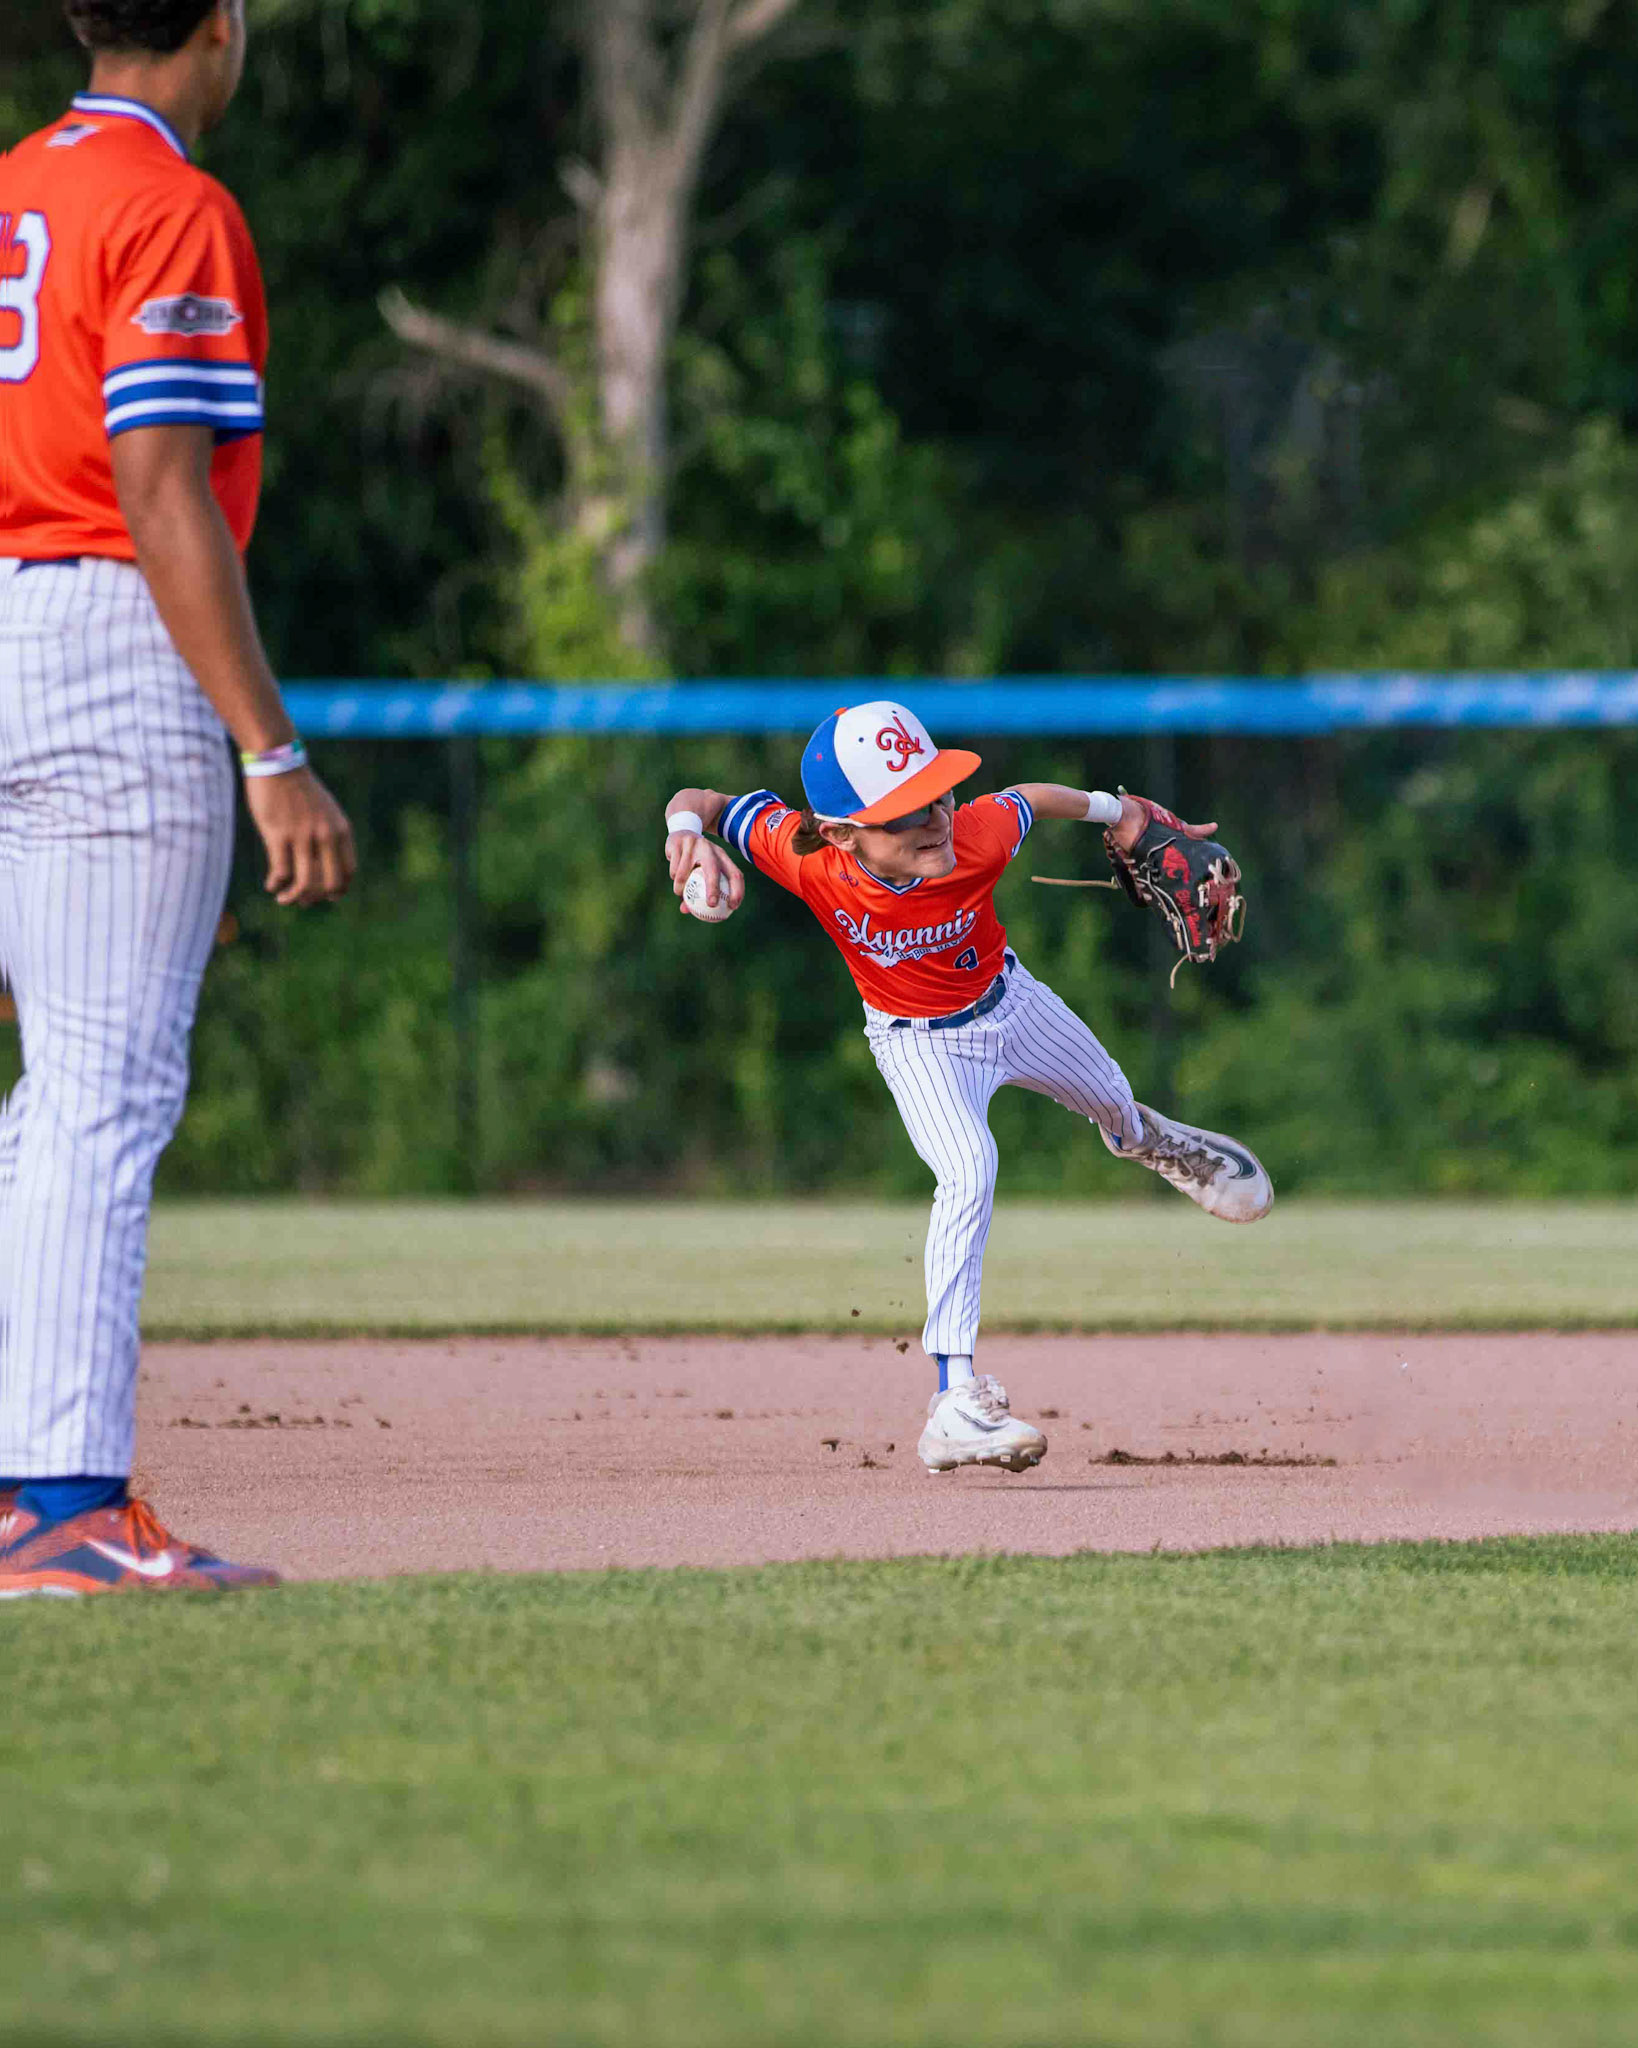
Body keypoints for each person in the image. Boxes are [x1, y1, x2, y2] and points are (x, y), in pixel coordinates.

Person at [0, 0, 353, 1595]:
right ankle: (62, 1509)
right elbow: (158, 487)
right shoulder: (169, 202)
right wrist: (268, 753)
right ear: (220, 28)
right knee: (101, 1096)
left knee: (48, 1101)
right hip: (101, 634)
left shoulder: (14, 183)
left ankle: (27, 1491)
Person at [662, 701, 1271, 1476]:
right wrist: (687, 834)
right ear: (842, 832)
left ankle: (1149, 1141)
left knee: (1115, 1100)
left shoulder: (975, 834)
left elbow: (1032, 797)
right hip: (917, 1045)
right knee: (968, 1167)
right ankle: (954, 1403)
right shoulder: (802, 853)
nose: (933, 819)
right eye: (901, 812)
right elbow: (702, 801)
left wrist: (1122, 814)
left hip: (1010, 1001)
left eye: (938, 793)